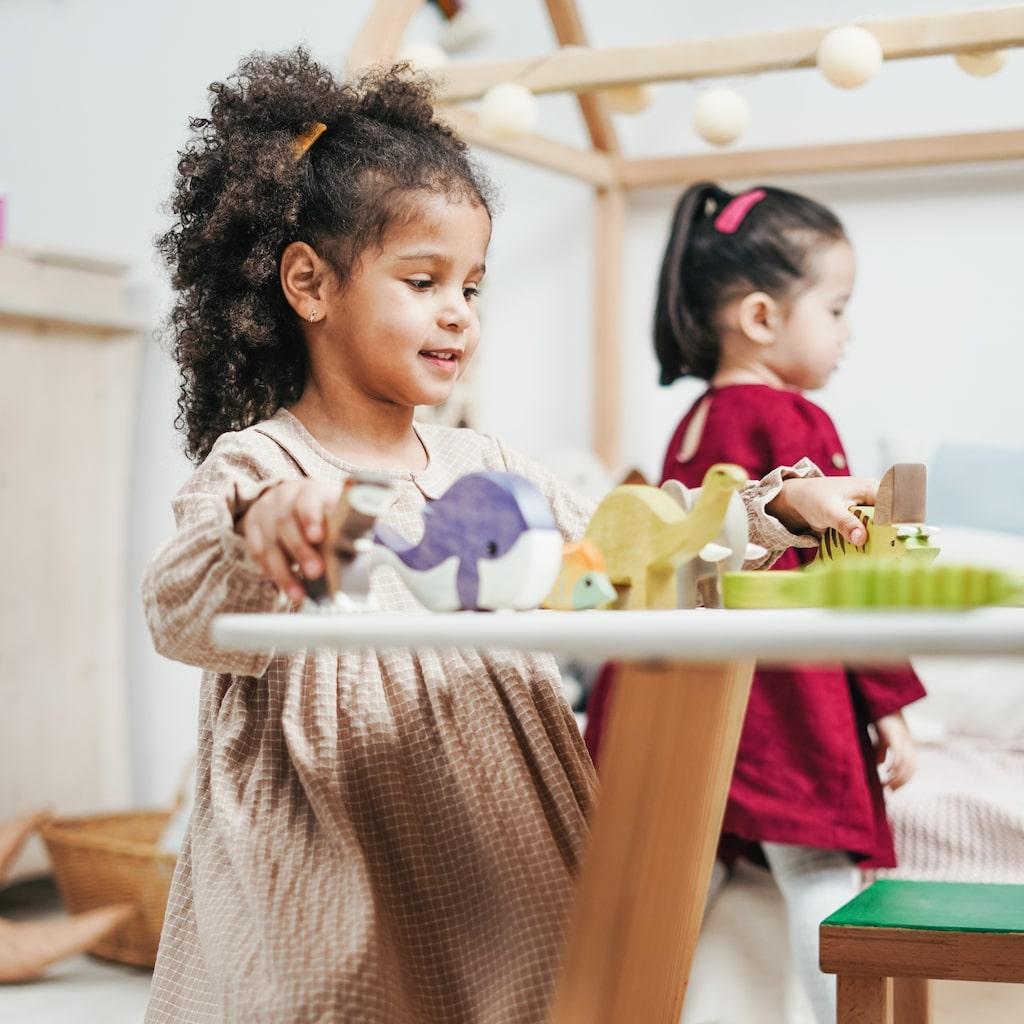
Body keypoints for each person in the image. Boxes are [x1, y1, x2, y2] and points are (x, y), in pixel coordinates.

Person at [144, 58, 883, 1022]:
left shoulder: (482, 465)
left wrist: (764, 514)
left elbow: (624, 558)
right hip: (336, 839)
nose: (458, 310)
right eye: (423, 280)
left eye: (472, 285)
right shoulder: (265, 467)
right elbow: (180, 607)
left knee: (533, 987)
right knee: (342, 994)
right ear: (308, 285)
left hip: (497, 830)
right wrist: (260, 536)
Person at [585, 182, 925, 1024]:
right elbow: (852, 570)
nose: (848, 332)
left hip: (684, 694)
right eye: (838, 309)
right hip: (779, 700)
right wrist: (889, 708)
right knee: (818, 871)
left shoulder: (693, 424)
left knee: (673, 874)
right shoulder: (796, 423)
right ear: (764, 319)